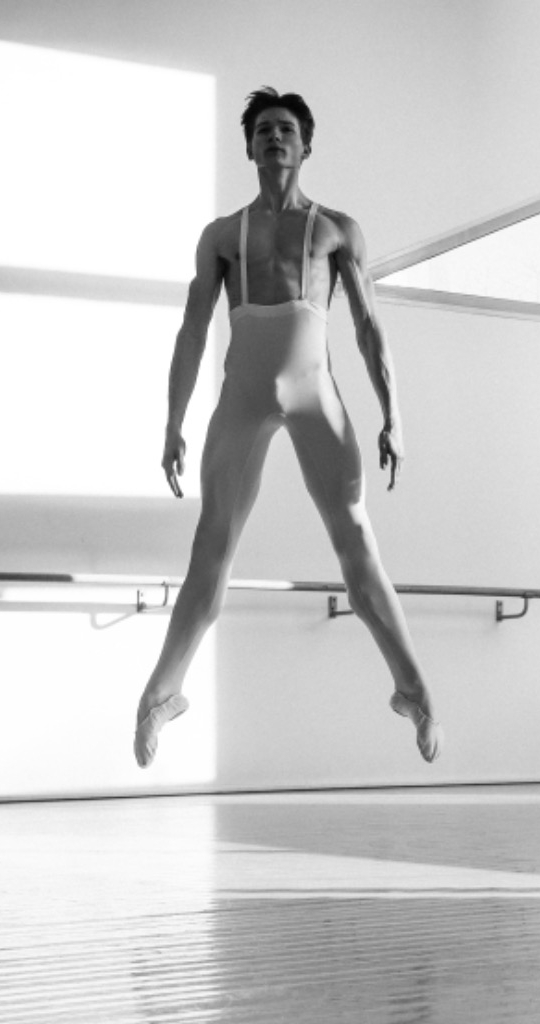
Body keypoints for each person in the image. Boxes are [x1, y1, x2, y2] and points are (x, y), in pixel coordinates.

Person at [134, 88, 438, 767]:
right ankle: (161, 694)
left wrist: (393, 416)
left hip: (314, 395)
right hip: (243, 397)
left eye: (287, 130)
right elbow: (191, 330)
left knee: (356, 541)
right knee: (211, 545)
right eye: (265, 129)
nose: (275, 137)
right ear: (249, 147)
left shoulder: (336, 231)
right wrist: (173, 422)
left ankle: (413, 690)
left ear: (305, 146)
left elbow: (367, 325)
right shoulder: (221, 236)